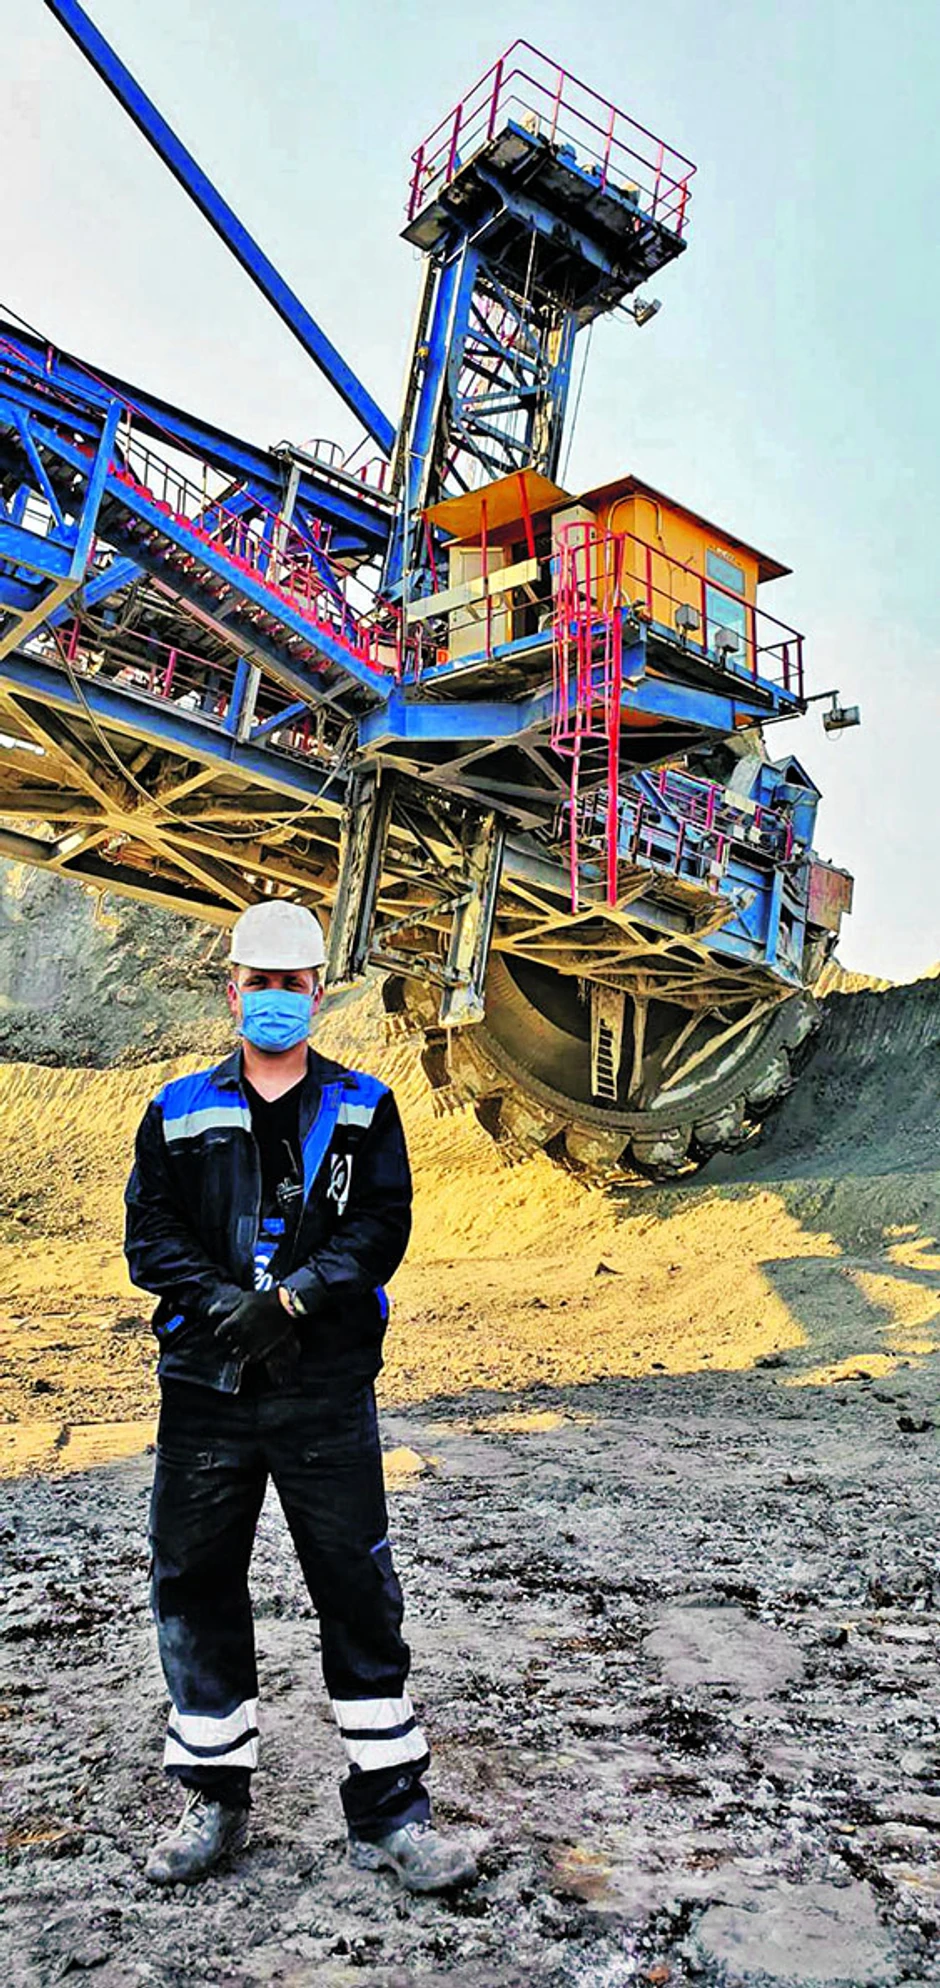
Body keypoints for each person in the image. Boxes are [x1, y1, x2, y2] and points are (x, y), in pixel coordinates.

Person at [124, 898, 476, 1894]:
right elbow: (151, 1235)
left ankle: (392, 1811)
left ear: (316, 992)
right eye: (260, 982)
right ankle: (214, 1799)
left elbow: (381, 1226)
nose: (274, 997)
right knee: (194, 1583)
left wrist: (293, 1300)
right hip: (207, 1388)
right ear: (232, 988)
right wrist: (222, 1305)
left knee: (356, 1588)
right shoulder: (176, 1109)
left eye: (291, 982)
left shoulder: (364, 1105)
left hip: (323, 1387)